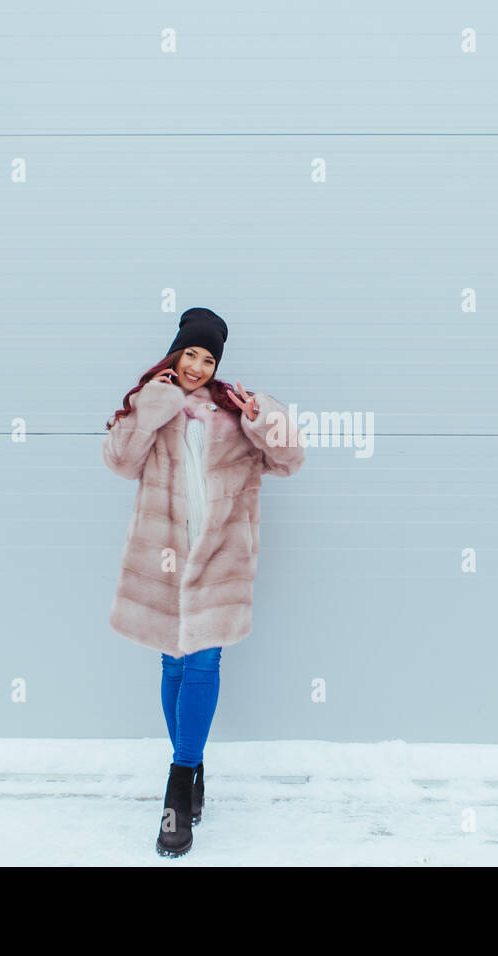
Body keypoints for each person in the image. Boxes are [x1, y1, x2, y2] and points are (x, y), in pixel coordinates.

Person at [101, 307, 306, 857]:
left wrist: (262, 415)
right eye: (190, 353)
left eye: (208, 357)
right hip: (164, 559)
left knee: (204, 664)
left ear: (217, 364)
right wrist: (153, 407)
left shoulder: (233, 415)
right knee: (172, 663)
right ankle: (194, 772)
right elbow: (119, 461)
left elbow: (290, 458)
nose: (197, 365)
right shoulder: (152, 406)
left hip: (216, 561)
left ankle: (178, 780)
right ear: (175, 354)